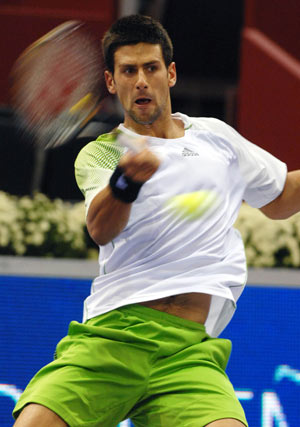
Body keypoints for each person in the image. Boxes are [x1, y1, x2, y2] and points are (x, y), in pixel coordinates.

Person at [13, 14, 300, 427]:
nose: (141, 81)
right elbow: (100, 227)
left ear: (171, 73)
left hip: (188, 353)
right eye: (128, 71)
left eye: (150, 68)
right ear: (111, 82)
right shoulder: (104, 153)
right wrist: (127, 182)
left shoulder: (217, 138)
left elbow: (282, 198)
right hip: (113, 339)